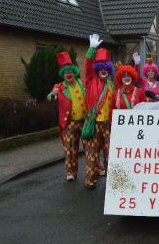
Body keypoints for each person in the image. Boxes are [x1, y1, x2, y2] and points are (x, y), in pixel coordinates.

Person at [82, 34, 115, 189]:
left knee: (110, 154)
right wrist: (91, 49)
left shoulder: (111, 86)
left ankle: (112, 181)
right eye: (100, 68)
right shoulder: (91, 80)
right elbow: (88, 66)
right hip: (94, 124)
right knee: (92, 154)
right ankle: (90, 180)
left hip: (108, 125)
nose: (103, 70)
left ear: (109, 70)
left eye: (105, 68)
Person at [47, 51, 86, 181]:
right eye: (65, 72)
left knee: (90, 146)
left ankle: (96, 167)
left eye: (70, 71)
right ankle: (71, 172)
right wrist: (53, 94)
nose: (68, 74)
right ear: (62, 75)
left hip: (84, 121)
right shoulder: (59, 87)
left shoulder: (82, 83)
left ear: (75, 72)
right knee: (70, 149)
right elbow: (49, 98)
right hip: (69, 123)